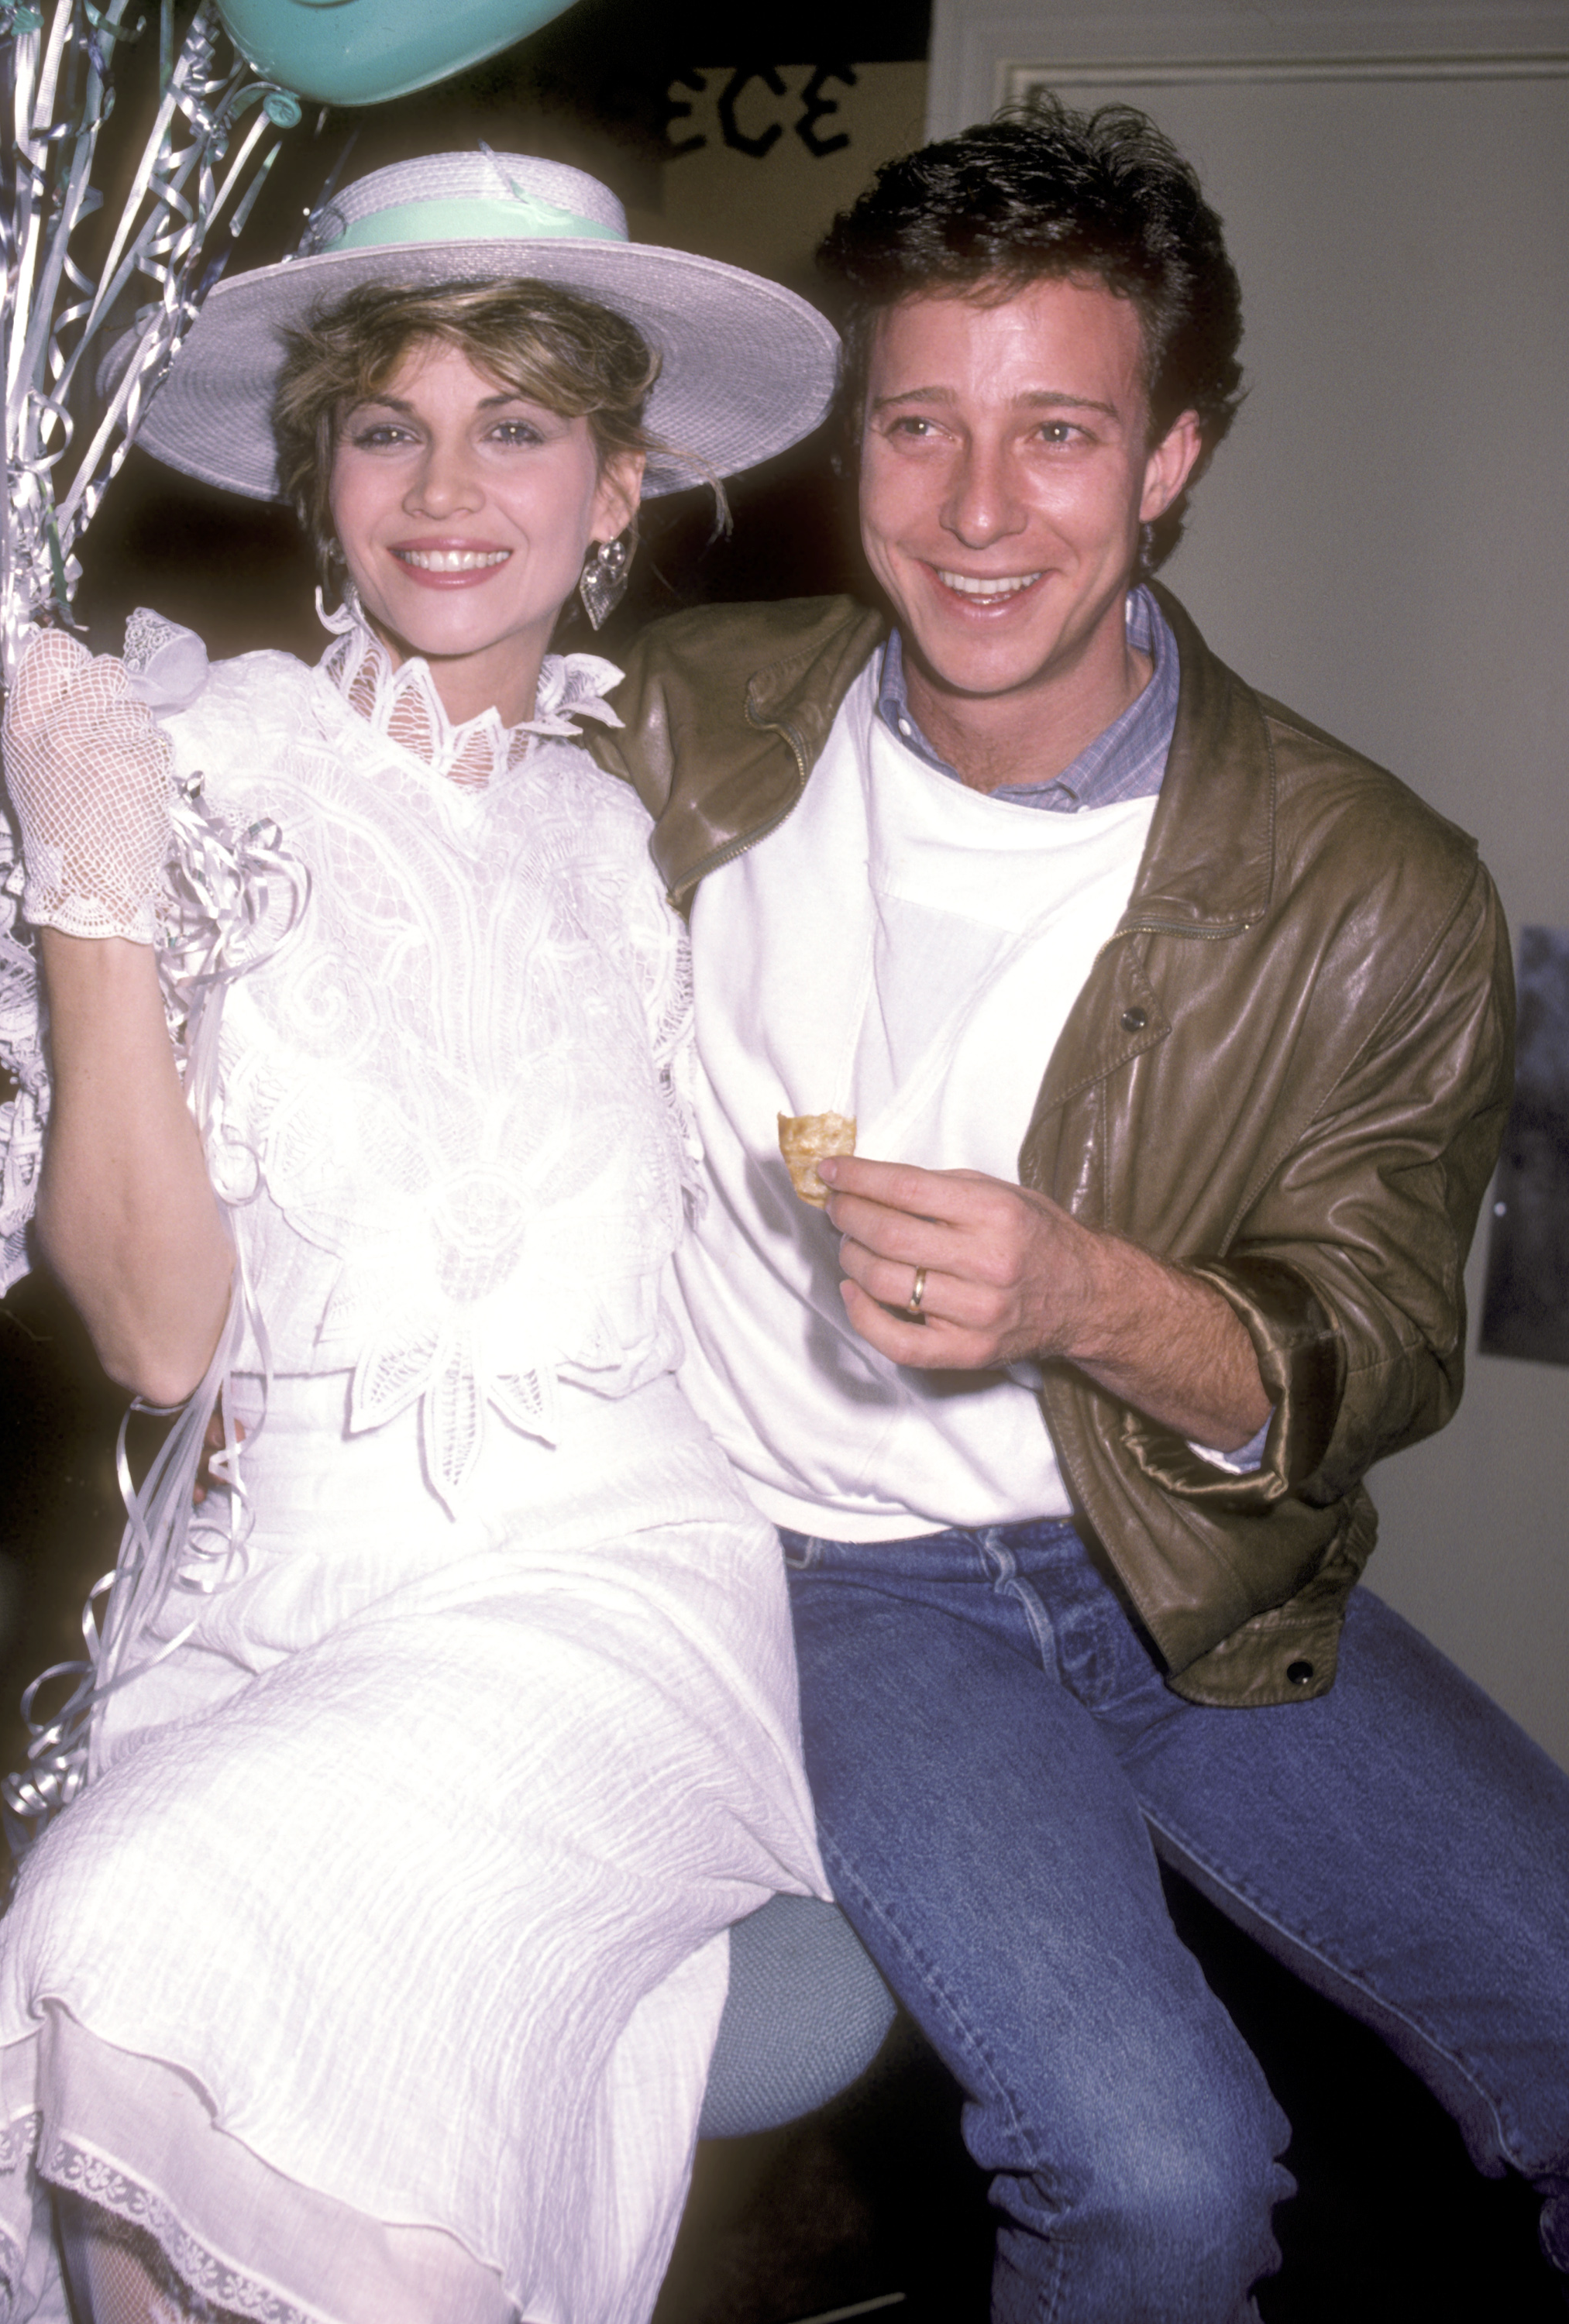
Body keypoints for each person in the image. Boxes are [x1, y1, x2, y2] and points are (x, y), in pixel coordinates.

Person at [583, 98, 1569, 2322]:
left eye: (1055, 432)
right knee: (1158, 2177)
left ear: (1168, 458)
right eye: (918, 425)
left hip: (1193, 1569)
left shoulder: (1374, 884)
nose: (973, 510)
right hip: (837, 1584)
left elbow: (1377, 1347)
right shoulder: (668, 731)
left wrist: (1089, 1299)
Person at [0, 150, 838, 2324]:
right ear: (319, 472)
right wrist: (92, 896)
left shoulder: (611, 839)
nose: (448, 487)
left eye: (518, 427)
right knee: (143, 2073)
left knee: (153, 1920)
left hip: (614, 1577)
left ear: (621, 486)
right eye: (386, 424)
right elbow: (157, 1339)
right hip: (287, 1582)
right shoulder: (194, 760)